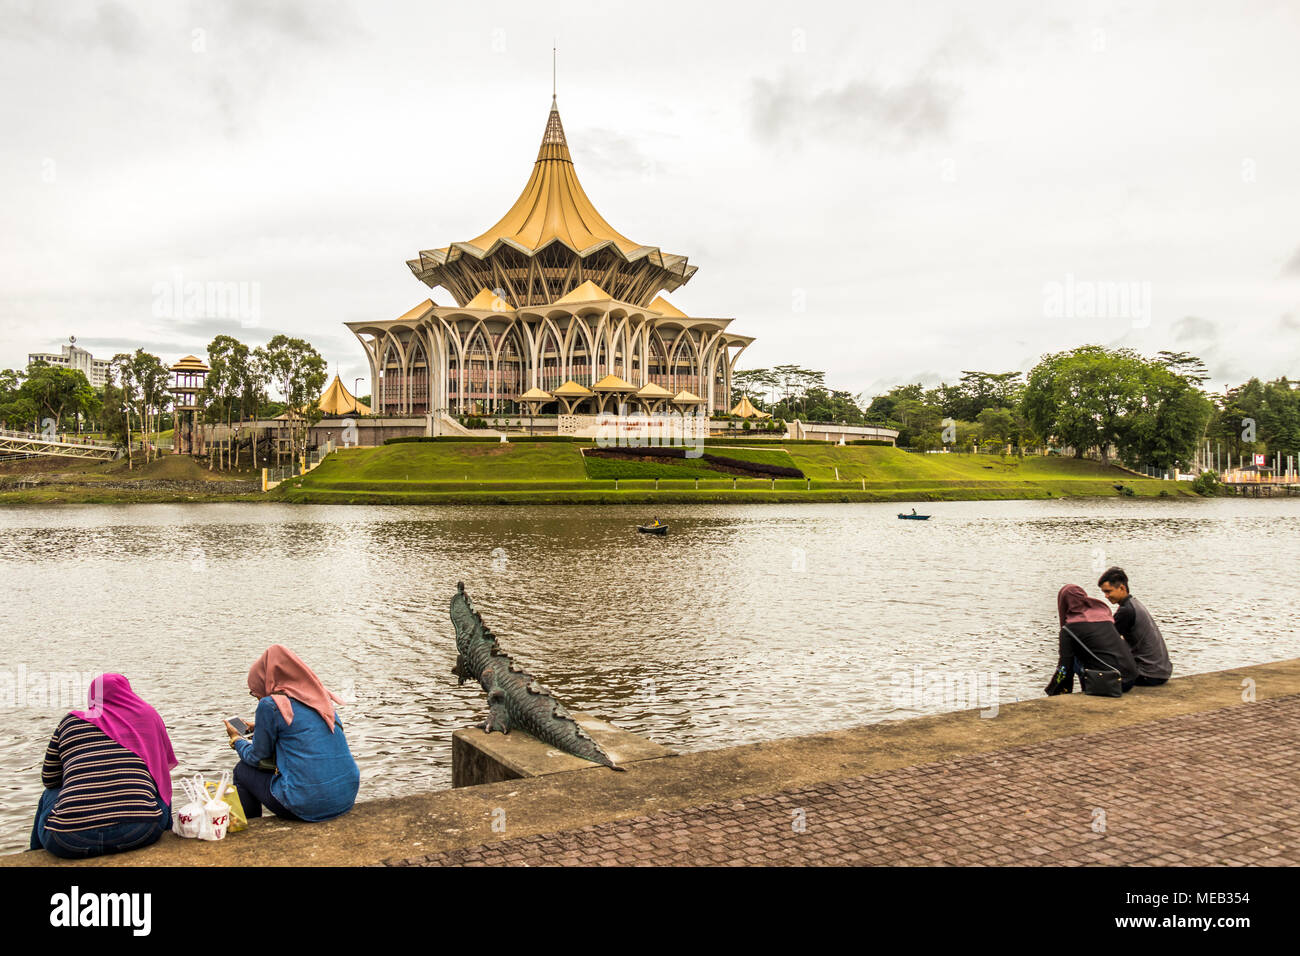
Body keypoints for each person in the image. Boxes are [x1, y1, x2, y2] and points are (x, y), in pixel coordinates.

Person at [31, 674, 176, 859]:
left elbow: (50, 779)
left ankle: (34, 855)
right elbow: (162, 768)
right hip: (141, 831)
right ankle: (169, 839)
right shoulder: (147, 716)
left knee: (49, 794)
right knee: (160, 779)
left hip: (67, 840)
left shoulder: (70, 722)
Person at [227, 645, 359, 823]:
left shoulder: (269, 704)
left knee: (242, 770)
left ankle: (251, 830)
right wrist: (259, 727)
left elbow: (257, 757)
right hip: (346, 795)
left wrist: (237, 740)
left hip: (307, 804)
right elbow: (302, 727)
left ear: (265, 681)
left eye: (255, 692)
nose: (257, 697)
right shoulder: (319, 696)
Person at [1045, 585, 1139, 696]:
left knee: (1071, 659)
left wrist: (1053, 690)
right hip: (1130, 678)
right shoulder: (1104, 618)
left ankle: (1066, 690)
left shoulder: (1069, 629)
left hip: (1111, 683)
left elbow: (1065, 667)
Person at [1097, 566, 1172, 686]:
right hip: (1161, 672)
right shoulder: (1135, 604)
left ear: (1121, 588)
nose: (1106, 596)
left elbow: (1105, 641)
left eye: (1108, 591)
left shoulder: (1126, 611)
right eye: (1104, 592)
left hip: (1148, 675)